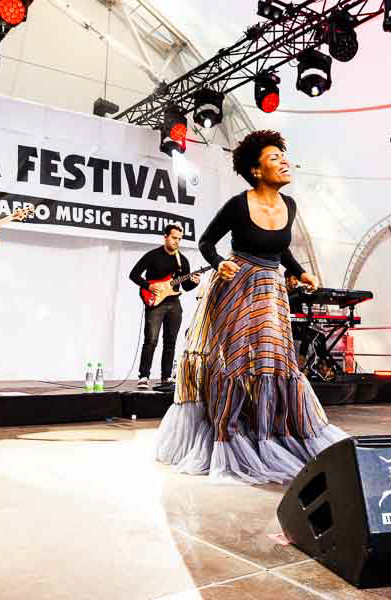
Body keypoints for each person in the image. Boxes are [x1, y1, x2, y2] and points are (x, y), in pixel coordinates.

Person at [154, 130, 348, 484]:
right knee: (235, 363)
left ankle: (268, 433)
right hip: (237, 286)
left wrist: (300, 271)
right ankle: (227, 434)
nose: (284, 162)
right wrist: (219, 264)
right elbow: (206, 242)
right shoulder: (238, 205)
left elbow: (281, 248)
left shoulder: (290, 206)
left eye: (283, 156)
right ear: (256, 170)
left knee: (273, 362)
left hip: (271, 290)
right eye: (274, 158)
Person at [129, 224, 201, 389]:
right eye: (174, 238)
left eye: (179, 239)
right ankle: (144, 376)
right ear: (166, 237)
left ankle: (166, 377)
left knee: (171, 341)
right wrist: (148, 286)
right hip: (155, 301)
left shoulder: (182, 260)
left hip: (174, 302)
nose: (177, 241)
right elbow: (133, 274)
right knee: (151, 340)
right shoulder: (153, 255)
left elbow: (186, 287)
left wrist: (194, 282)